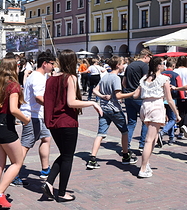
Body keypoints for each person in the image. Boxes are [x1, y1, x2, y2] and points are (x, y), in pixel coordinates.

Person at [42, 50, 102, 202]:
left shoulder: (51, 78)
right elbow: (71, 102)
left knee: (64, 154)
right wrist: (92, 102)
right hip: (66, 121)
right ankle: (62, 193)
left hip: (53, 121)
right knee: (68, 157)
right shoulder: (70, 78)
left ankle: (49, 183)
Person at [0, 58, 30, 209]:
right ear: (13, 69)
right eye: (17, 66)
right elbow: (13, 109)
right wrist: (26, 120)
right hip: (6, 127)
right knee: (17, 162)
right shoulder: (13, 85)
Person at [133, 57, 180, 177]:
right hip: (156, 106)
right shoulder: (164, 79)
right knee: (149, 139)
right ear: (158, 66)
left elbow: (135, 95)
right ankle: (143, 168)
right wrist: (176, 113)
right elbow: (169, 99)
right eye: (163, 64)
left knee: (152, 138)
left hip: (145, 106)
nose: (164, 66)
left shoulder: (144, 78)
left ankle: (146, 162)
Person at [87, 56, 137, 169]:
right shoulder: (115, 78)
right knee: (124, 131)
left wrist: (102, 97)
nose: (124, 65)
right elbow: (118, 95)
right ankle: (125, 156)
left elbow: (95, 90)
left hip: (104, 109)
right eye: (123, 63)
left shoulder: (105, 76)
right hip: (114, 109)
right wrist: (133, 93)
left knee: (100, 134)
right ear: (118, 65)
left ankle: (92, 159)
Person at [20, 52, 56, 179]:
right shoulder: (37, 77)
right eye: (52, 64)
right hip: (32, 115)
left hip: (40, 114)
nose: (53, 66)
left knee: (46, 138)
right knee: (26, 145)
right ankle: (15, 172)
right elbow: (39, 98)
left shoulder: (42, 76)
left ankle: (45, 169)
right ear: (44, 63)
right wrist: (54, 106)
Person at [123, 49, 153, 153]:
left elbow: (124, 82)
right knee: (145, 121)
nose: (150, 60)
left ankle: (127, 144)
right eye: (150, 58)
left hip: (129, 96)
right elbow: (147, 81)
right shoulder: (144, 66)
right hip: (140, 97)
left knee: (131, 122)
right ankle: (142, 144)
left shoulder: (130, 65)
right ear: (146, 56)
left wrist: (130, 90)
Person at [174, 56, 187, 139]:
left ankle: (180, 131)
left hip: (178, 93)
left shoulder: (175, 71)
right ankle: (185, 125)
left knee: (180, 112)